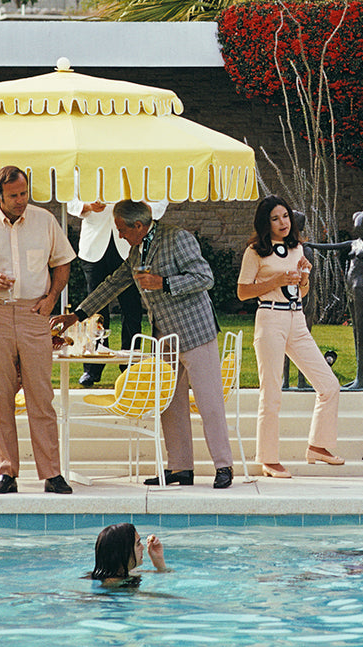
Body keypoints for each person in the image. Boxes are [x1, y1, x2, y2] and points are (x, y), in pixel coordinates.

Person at [64, 200, 235, 489]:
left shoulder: (178, 238)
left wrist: (164, 282)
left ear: (139, 226)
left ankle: (224, 466)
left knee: (209, 403)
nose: (118, 235)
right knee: (169, 404)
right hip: (164, 336)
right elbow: (113, 283)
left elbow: (205, 277)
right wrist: (77, 314)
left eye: (121, 229)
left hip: (195, 332)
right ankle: (181, 468)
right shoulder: (137, 249)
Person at [0, 165, 76, 495]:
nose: (21, 200)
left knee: (41, 395)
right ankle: (6, 472)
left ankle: (52, 473)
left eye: (24, 193)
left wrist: (52, 299)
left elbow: (62, 262)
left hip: (36, 312)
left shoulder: (45, 220)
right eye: (14, 196)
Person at [237, 195, 344, 478]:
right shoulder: (255, 252)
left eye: (285, 216)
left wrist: (303, 277)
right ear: (265, 223)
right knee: (271, 392)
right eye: (275, 218)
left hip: (296, 318)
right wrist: (275, 281)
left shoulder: (296, 248)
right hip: (269, 318)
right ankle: (269, 459)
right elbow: (243, 291)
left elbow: (301, 292)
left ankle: (318, 446)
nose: (283, 223)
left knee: (329, 384)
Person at [66, 199, 167, 388]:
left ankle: (130, 368)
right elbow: (70, 200)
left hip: (129, 245)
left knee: (132, 309)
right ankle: (92, 369)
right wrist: (87, 206)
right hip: (94, 246)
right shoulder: (82, 169)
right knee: (95, 311)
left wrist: (141, 209)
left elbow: (160, 204)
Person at [85, 523, 170, 586]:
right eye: (138, 544)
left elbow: (164, 574)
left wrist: (158, 560)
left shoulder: (125, 573)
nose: (143, 547)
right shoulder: (113, 585)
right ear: (123, 552)